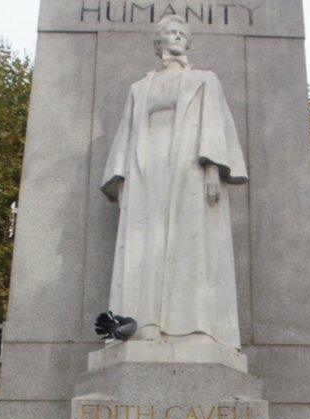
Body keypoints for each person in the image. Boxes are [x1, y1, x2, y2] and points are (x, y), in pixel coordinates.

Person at [101, 14, 248, 349]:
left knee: (190, 245)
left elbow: (213, 124)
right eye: (170, 32)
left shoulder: (205, 80)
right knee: (147, 247)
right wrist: (121, 181)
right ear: (159, 43)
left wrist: (212, 167)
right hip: (147, 170)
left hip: (190, 166)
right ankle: (145, 325)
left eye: (182, 32)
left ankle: (196, 327)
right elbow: (127, 133)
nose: (177, 36)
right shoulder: (139, 89)